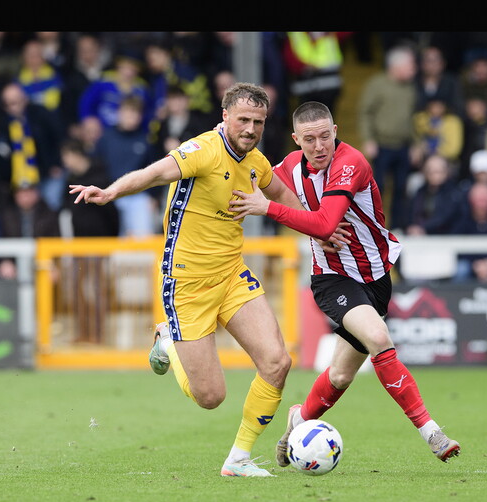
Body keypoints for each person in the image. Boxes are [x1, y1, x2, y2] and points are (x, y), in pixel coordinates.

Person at [69, 82, 326, 477]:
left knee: (277, 363)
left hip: (232, 274)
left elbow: (285, 198)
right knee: (211, 397)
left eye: (258, 121)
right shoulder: (203, 149)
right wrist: (111, 192)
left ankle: (238, 459)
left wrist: (321, 230)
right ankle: (167, 339)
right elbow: (155, 173)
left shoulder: (256, 162)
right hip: (187, 283)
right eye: (243, 119)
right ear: (224, 116)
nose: (250, 128)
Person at [227, 101, 462, 468]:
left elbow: (323, 223)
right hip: (332, 278)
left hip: (377, 277)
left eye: (325, 136)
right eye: (309, 139)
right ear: (296, 140)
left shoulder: (350, 162)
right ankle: (431, 432)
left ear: (335, 131)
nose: (319, 146)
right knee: (380, 338)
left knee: (340, 374)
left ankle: (299, 420)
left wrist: (269, 209)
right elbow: (243, 178)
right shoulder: (287, 167)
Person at [358, 44, 419, 231]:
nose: (414, 69)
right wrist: (368, 139)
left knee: (402, 188)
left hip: (404, 146)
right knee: (379, 188)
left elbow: (416, 118)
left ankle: (397, 227)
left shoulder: (412, 89)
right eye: (410, 65)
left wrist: (417, 144)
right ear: (396, 66)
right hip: (382, 145)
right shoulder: (377, 84)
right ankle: (375, 225)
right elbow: (365, 112)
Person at [95, 95, 161, 236]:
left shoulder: (146, 140)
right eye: (128, 112)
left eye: (135, 113)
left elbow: (156, 169)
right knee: (112, 242)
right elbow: (96, 168)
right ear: (119, 113)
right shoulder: (106, 138)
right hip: (109, 194)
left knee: (143, 241)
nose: (131, 117)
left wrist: (154, 197)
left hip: (139, 196)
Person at [59, 138, 120, 237]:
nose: (63, 160)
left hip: (102, 239)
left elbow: (111, 211)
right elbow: (65, 207)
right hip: (79, 241)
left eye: (66, 155)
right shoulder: (70, 180)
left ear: (77, 154)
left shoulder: (100, 175)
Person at [406, 154, 463, 236]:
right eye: (430, 171)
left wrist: (423, 228)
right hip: (420, 236)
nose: (434, 175)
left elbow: (445, 218)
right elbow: (412, 214)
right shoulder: (420, 192)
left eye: (438, 171)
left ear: (446, 172)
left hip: (446, 237)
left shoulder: (454, 193)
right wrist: (413, 227)